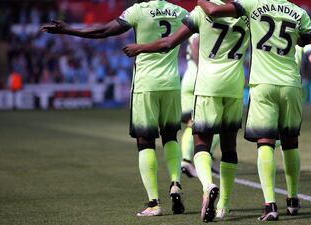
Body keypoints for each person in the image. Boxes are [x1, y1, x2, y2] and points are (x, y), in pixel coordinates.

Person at [40, 0, 188, 217]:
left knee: (145, 141)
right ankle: (175, 183)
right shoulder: (179, 11)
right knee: (170, 137)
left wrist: (69, 30)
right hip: (172, 84)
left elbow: (103, 31)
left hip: (145, 85)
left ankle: (153, 203)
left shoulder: (138, 10)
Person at [197, 0, 311, 221]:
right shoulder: (299, 12)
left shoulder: (253, 5)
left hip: (262, 84)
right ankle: (292, 200)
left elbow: (214, 10)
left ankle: (270, 204)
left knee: (265, 143)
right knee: (291, 142)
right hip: (290, 85)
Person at [123, 0, 250, 222]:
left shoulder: (201, 12)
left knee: (200, 140)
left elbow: (169, 43)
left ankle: (207, 184)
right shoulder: (249, 11)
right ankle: (224, 206)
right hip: (236, 85)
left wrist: (140, 47)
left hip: (207, 84)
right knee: (229, 145)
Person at [180, 34, 220, 178]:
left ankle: (187, 161)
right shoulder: (205, 25)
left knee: (191, 123)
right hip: (201, 79)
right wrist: (202, 69)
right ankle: (201, 158)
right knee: (215, 122)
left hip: (188, 78)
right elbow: (196, 44)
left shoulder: (194, 27)